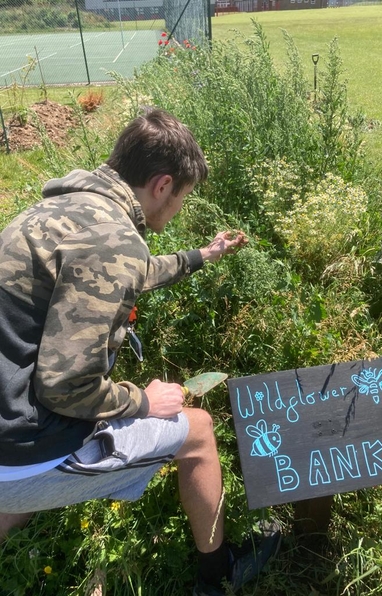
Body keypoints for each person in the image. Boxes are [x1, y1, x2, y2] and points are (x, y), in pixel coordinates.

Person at [0, 108, 280, 595]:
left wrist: (203, 256)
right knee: (197, 432)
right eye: (182, 199)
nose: (176, 211)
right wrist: (144, 401)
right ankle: (219, 575)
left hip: (4, 418)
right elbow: (66, 387)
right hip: (23, 445)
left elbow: (125, 270)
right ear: (162, 184)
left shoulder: (55, 214)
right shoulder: (115, 240)